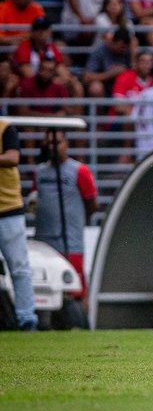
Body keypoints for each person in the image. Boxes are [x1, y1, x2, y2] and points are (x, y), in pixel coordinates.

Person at [33, 131, 98, 308]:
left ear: (66, 144)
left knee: (76, 288)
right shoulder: (39, 172)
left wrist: (76, 222)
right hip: (44, 241)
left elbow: (92, 203)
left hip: (70, 241)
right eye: (49, 143)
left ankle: (81, 323)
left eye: (57, 142)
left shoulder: (80, 171)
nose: (53, 147)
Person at [0, 120, 38, 331]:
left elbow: (13, 157)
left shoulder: (5, 128)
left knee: (19, 267)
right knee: (20, 268)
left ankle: (27, 319)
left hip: (8, 208)